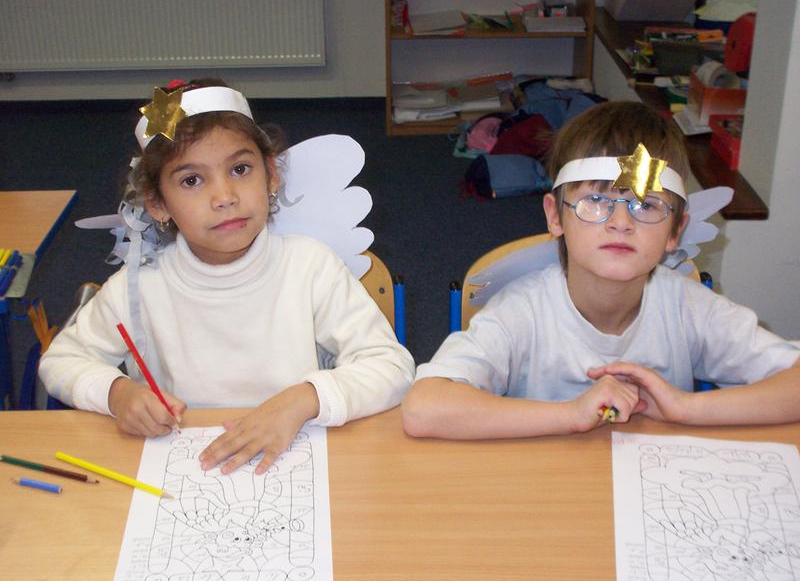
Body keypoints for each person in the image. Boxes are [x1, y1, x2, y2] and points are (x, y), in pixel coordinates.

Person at [39, 78, 414, 473]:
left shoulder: (311, 267)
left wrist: (306, 399)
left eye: (240, 169)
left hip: (294, 460)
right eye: (191, 180)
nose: (225, 197)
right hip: (184, 470)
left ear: (270, 175)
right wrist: (116, 393)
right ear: (158, 204)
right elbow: (60, 361)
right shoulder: (139, 287)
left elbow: (391, 368)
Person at [403, 101, 800, 440]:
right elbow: (424, 407)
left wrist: (684, 407)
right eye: (595, 200)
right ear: (555, 216)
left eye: (646, 205)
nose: (620, 223)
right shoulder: (521, 312)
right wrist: (572, 414)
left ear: (675, 231)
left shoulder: (688, 307)